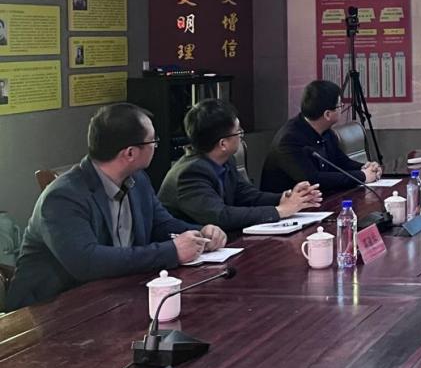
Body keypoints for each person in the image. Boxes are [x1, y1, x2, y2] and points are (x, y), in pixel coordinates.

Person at [6, 103, 227, 310]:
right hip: (49, 310)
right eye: (153, 141)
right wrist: (172, 251)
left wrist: (201, 234)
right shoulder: (62, 197)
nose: (155, 146)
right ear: (130, 153)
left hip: (115, 295)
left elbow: (162, 224)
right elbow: (87, 262)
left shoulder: (137, 180)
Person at [159, 99, 323, 230]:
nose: (241, 136)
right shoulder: (190, 174)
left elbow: (247, 196)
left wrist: (287, 197)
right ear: (223, 144)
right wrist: (279, 211)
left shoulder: (225, 160)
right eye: (238, 132)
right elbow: (220, 216)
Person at [260, 80, 382, 193]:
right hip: (288, 206)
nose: (342, 108)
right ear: (327, 114)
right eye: (340, 106)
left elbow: (341, 162)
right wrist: (362, 176)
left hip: (320, 200)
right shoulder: (289, 140)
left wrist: (366, 167)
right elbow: (313, 179)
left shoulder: (325, 131)